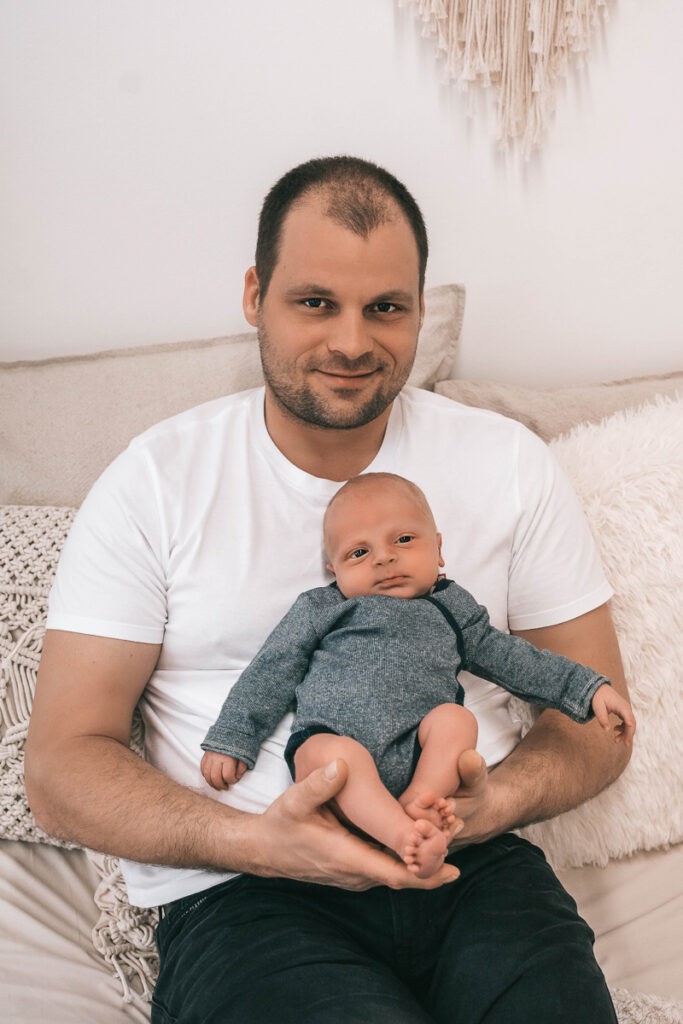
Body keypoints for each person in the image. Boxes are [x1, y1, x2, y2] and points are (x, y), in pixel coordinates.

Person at [25, 155, 633, 1023]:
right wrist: (256, 841)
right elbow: (60, 767)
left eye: (385, 307)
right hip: (245, 893)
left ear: (418, 309)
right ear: (255, 296)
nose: (351, 342)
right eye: (315, 302)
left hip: (474, 867)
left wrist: (486, 804)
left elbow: (596, 723)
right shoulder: (155, 482)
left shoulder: (506, 463)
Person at [201, 472, 635, 880]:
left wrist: (586, 688)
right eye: (358, 553)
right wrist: (235, 735)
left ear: (438, 549)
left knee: (455, 720)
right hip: (331, 747)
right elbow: (273, 668)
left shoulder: (451, 609)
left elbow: (516, 660)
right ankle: (403, 834)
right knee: (335, 756)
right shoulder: (323, 608)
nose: (384, 557)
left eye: (404, 540)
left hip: (417, 754)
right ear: (334, 569)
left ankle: (421, 802)